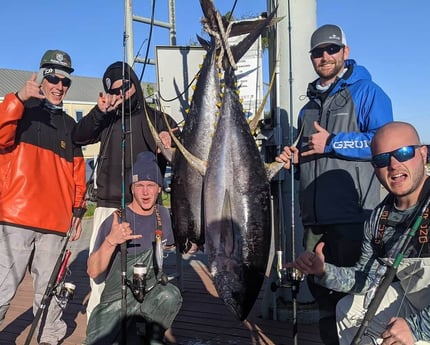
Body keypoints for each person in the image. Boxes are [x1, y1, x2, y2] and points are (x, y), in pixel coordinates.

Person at [276, 24, 393, 345]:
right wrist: (296, 158)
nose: (325, 56)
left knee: (356, 300)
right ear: (311, 58)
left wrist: (333, 141)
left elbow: (383, 145)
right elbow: (314, 154)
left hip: (355, 217)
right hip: (314, 221)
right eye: (318, 52)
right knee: (324, 299)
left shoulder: (369, 93)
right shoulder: (308, 107)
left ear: (345, 52)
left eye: (331, 49)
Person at [291, 121, 430, 345]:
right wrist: (324, 271)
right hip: (414, 300)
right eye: (382, 159)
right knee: (349, 308)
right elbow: (367, 279)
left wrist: (417, 328)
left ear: (423, 153)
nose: (393, 165)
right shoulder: (378, 221)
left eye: (403, 153)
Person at [72, 61, 178, 320]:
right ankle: (98, 329)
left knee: (148, 273)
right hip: (109, 207)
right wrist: (99, 112)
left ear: (135, 84)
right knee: (100, 275)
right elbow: (79, 136)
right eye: (115, 91)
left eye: (126, 87)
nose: (121, 94)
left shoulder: (157, 118)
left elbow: (179, 155)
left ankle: (141, 327)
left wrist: (169, 142)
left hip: (146, 209)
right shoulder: (106, 118)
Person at [0, 49, 86, 345]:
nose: (59, 86)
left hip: (57, 221)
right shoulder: (19, 111)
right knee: (2, 286)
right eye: (53, 78)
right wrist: (18, 99)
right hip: (16, 216)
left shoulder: (71, 127)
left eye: (65, 82)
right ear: (41, 76)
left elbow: (78, 174)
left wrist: (78, 211)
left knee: (51, 288)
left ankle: (48, 337)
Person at [85, 151, 182, 345]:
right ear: (131, 188)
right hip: (117, 299)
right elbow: (93, 270)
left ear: (159, 189)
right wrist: (111, 241)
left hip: (150, 294)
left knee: (170, 295)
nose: (145, 193)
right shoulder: (116, 219)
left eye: (151, 185)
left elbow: (170, 245)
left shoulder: (162, 215)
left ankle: (152, 338)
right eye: (140, 186)